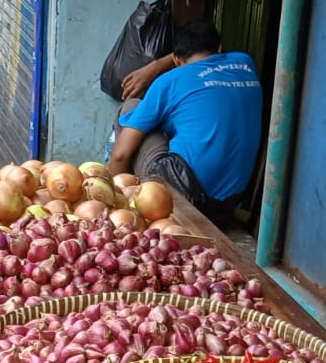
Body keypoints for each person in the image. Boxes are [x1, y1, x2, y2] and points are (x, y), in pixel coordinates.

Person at [109, 21, 262, 217]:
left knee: (130, 109)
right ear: (220, 48)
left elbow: (120, 155)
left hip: (184, 197)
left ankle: (127, 205)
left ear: (176, 59)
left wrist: (115, 207)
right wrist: (160, 64)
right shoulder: (245, 63)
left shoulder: (169, 81)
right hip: (230, 202)